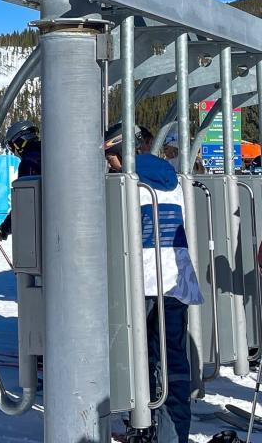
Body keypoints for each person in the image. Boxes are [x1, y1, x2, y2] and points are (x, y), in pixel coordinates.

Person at [104, 123, 202, 443]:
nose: (108, 163)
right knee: (171, 362)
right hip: (176, 280)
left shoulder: (128, 182)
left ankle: (148, 428)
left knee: (143, 363)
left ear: (121, 150)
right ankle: (172, 433)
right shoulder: (170, 177)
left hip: (141, 283)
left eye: (110, 155)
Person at [0, 120, 41, 245]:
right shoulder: (52, 153)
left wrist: (2, 230)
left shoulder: (29, 163)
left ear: (18, 142)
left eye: (11, 147)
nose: (13, 151)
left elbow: (26, 204)